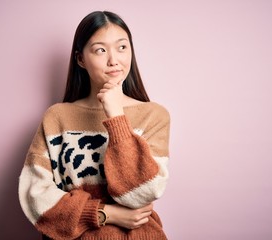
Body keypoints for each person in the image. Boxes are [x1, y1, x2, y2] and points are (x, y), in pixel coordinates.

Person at [18, 10, 170, 240]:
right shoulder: (57, 118)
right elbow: (35, 195)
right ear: (81, 59)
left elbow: (142, 194)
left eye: (122, 47)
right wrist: (103, 213)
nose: (114, 60)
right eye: (100, 50)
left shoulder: (154, 115)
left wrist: (116, 115)